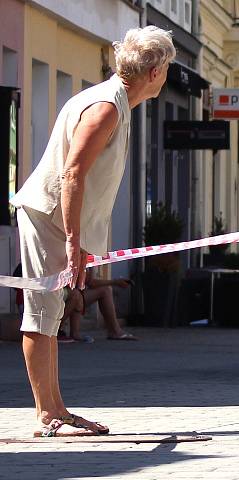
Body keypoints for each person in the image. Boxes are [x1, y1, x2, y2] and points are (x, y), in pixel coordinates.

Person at [10, 26, 174, 436]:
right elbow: (72, 174)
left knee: (53, 313)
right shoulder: (106, 107)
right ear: (155, 72)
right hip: (48, 215)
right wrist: (72, 239)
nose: (168, 73)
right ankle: (48, 415)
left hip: (56, 218)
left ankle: (57, 409)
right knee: (42, 312)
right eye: (168, 65)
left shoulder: (116, 101)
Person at [59, 269, 138, 343]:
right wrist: (115, 282)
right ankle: (58, 330)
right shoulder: (75, 257)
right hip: (58, 293)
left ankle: (114, 330)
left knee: (103, 290)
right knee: (77, 295)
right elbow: (91, 283)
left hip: (68, 292)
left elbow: (88, 282)